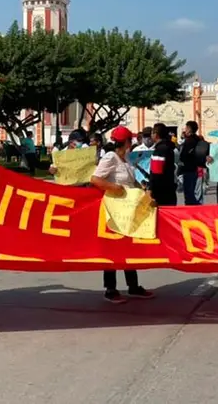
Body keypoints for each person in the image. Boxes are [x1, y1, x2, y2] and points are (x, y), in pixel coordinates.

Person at [90, 126, 154, 303]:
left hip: (128, 209)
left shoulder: (125, 159)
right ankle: (110, 289)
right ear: (127, 142)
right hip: (114, 208)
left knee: (128, 248)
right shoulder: (110, 157)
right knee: (112, 249)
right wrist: (113, 188)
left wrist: (142, 190)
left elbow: (131, 181)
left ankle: (133, 286)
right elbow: (95, 179)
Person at [177, 121, 209, 205]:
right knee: (197, 192)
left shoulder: (189, 141)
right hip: (197, 168)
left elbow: (184, 155)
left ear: (189, 129)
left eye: (186, 128)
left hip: (188, 169)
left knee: (189, 194)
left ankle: (191, 211)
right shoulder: (198, 139)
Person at [147, 123, 177, 207]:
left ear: (156, 135)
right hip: (170, 189)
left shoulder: (160, 149)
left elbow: (156, 172)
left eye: (152, 133)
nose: (151, 135)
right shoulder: (169, 147)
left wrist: (150, 189)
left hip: (161, 193)